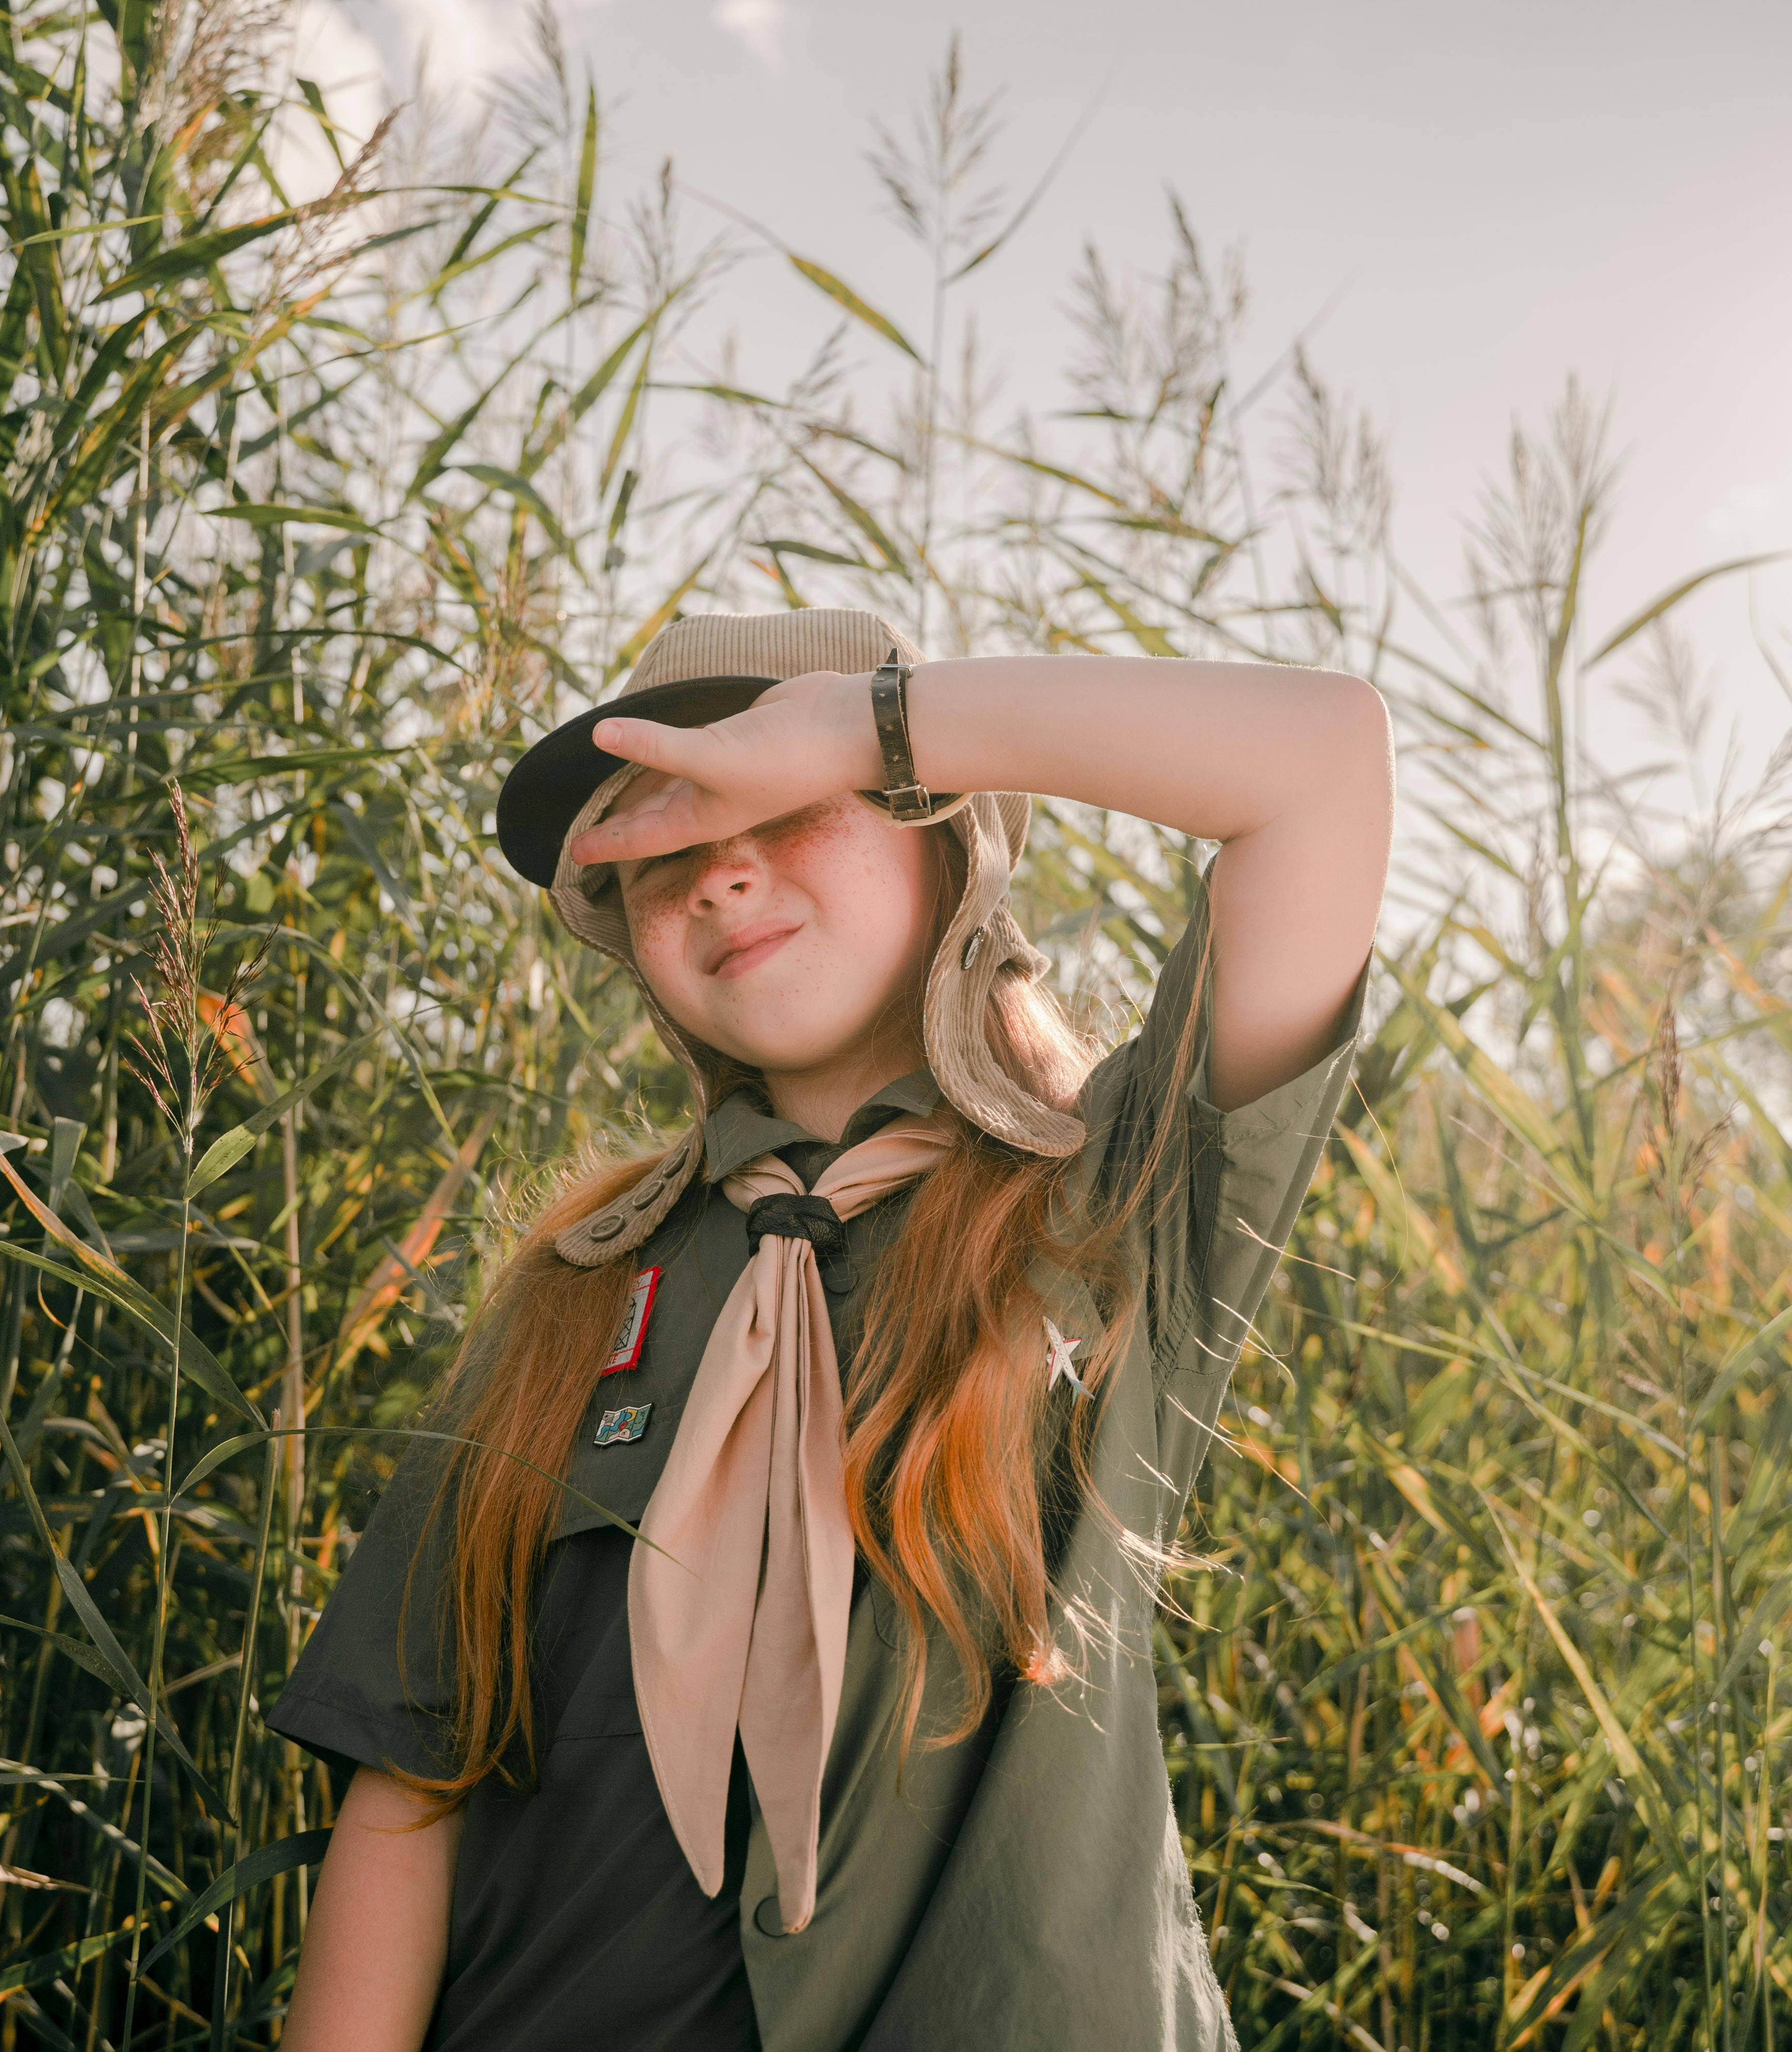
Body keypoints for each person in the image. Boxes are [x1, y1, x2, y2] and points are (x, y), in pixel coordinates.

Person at [269, 609, 1391, 2051]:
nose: (721, 867)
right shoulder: (573, 1286)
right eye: (658, 846)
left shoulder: (1118, 1200)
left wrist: (866, 726)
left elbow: (1323, 768)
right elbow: (415, 1772)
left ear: (937, 830)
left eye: (779, 808)